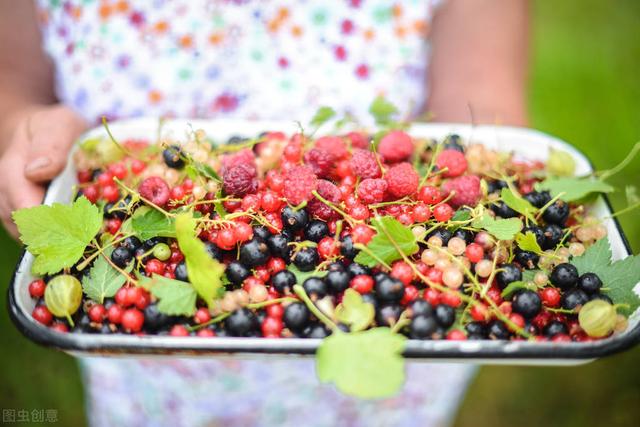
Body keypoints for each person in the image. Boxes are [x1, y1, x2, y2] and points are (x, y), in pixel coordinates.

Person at [0, 1, 528, 426]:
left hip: (390, 340)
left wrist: (474, 174)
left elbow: (483, 110)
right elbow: (12, 77)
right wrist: (24, 124)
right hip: (156, 372)